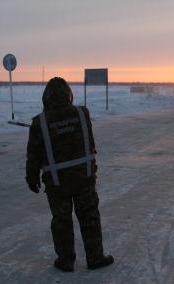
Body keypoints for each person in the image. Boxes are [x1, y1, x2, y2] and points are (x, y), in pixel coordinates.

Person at [26, 77, 114, 272]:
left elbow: (33, 155)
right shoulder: (82, 114)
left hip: (57, 185)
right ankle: (95, 257)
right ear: (68, 95)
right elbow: (90, 144)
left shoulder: (39, 123)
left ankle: (66, 261)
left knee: (61, 221)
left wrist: (31, 178)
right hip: (84, 179)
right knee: (90, 217)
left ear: (46, 98)